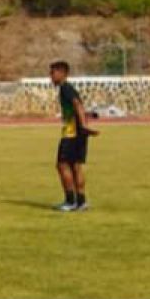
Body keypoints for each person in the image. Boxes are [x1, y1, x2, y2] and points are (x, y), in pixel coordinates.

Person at [50, 61, 99, 212]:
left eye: (53, 73)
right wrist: (87, 118)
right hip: (79, 133)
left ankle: (70, 201)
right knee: (75, 166)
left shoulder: (65, 88)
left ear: (62, 73)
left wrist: (83, 124)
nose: (50, 77)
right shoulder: (69, 88)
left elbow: (77, 104)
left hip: (72, 133)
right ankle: (81, 202)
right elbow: (78, 106)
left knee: (62, 165)